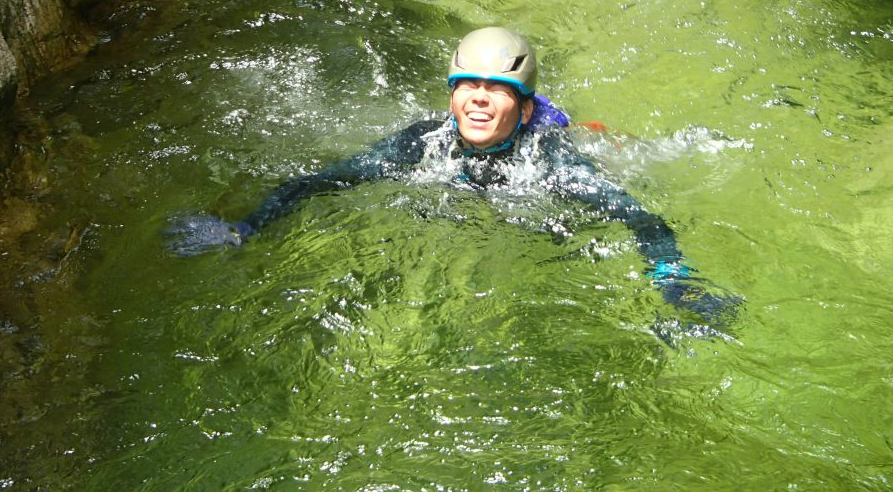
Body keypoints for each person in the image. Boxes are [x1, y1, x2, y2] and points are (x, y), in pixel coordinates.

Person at [168, 27, 740, 330]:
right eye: (468, 86)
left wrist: (674, 282)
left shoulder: (553, 159)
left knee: (593, 175)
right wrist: (244, 227)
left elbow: (642, 219)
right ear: (450, 92)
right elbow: (320, 181)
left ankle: (601, 131)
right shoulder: (424, 142)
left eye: (498, 90)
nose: (480, 102)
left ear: (525, 105)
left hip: (559, 150)